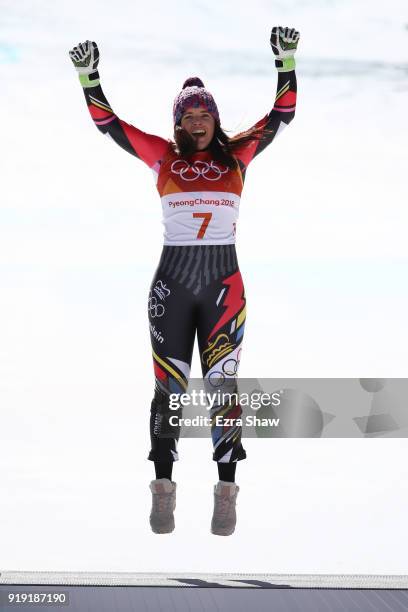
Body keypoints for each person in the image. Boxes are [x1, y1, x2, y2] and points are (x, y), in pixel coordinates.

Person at [69, 26, 299, 536]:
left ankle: (225, 491)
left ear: (215, 117)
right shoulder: (162, 157)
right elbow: (110, 126)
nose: (197, 121)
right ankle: (163, 488)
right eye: (188, 115)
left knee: (223, 387)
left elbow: (281, 116)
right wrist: (90, 78)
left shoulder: (237, 154)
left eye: (204, 113)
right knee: (167, 389)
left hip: (223, 288)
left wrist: (286, 63)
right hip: (171, 287)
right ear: (178, 123)